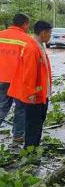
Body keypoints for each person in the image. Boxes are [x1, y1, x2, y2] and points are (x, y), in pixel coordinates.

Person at [8, 21, 53, 148]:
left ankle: (34, 146)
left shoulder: (39, 46)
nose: (50, 36)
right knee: (33, 124)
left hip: (42, 94)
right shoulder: (31, 48)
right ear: (43, 33)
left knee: (38, 122)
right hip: (35, 96)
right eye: (49, 33)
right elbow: (28, 74)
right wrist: (31, 94)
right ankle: (30, 149)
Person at [0, 13, 33, 143]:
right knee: (21, 108)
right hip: (18, 80)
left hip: (1, 78)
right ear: (25, 24)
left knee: (2, 107)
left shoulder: (1, 35)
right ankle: (18, 135)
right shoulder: (27, 40)